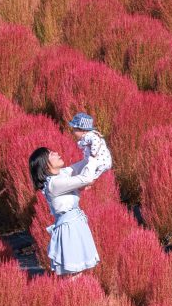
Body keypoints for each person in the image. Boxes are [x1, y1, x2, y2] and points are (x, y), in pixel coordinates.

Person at [28, 112, 113, 276]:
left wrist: (93, 151)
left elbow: (79, 166)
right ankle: (73, 298)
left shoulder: (61, 175)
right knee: (73, 274)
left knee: (78, 273)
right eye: (51, 154)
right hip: (69, 230)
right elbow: (85, 177)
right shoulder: (54, 184)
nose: (57, 153)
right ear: (45, 165)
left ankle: (78, 297)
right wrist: (94, 157)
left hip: (75, 225)